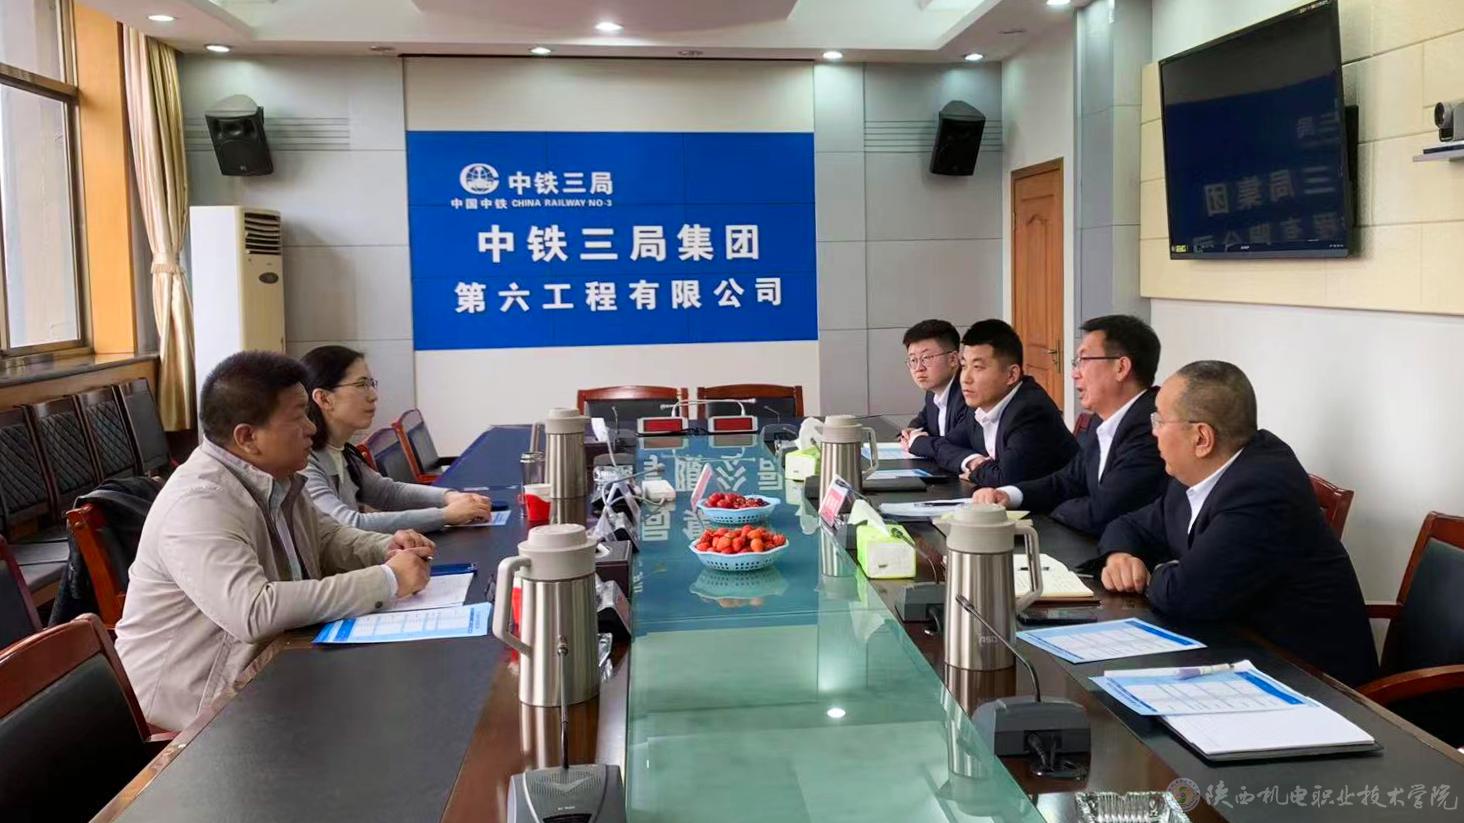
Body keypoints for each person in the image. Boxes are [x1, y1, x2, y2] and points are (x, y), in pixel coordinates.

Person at [115, 352, 436, 731]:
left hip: (271, 670)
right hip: (200, 713)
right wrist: (387, 579)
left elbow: (327, 538)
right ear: (247, 437)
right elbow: (254, 611)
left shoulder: (277, 475)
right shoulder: (198, 503)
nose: (311, 428)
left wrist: (384, 548)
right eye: (298, 416)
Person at [1097, 361, 1377, 686]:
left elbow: (1186, 595)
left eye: (1160, 420)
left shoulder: (1263, 489)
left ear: (1202, 438)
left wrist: (1153, 570)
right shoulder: (1197, 473)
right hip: (1238, 651)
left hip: (1311, 682)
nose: (1153, 431)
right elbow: (1129, 525)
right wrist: (1120, 556)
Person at [972, 315, 1168, 537]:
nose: (1075, 373)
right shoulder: (1101, 420)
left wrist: (1052, 509)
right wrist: (1009, 495)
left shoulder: (1151, 428)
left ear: (1121, 367)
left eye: (1083, 360)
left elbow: (1103, 513)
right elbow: (1068, 480)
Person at [300, 345, 493, 533]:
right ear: (324, 399)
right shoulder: (303, 462)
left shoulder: (341, 451)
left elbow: (388, 492)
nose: (373, 396)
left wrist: (449, 497)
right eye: (361, 385)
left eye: (371, 384)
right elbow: (348, 525)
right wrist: (445, 515)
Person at [950, 319, 1077, 487]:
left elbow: (1006, 478)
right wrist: (972, 460)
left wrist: (977, 470)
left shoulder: (1031, 411)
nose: (965, 379)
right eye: (964, 366)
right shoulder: (979, 406)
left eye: (978, 367)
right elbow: (947, 445)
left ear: (1011, 375)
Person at [899, 319, 974, 471]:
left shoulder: (969, 393)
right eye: (913, 360)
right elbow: (923, 419)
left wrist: (917, 442)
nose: (918, 368)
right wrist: (911, 430)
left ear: (953, 359)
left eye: (926, 358)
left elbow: (952, 445)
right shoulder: (933, 392)